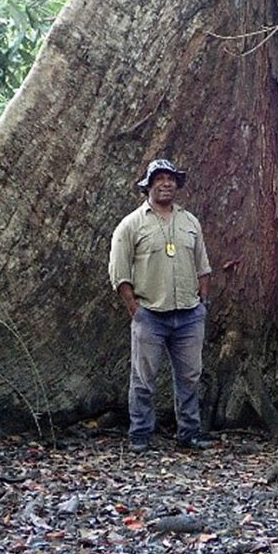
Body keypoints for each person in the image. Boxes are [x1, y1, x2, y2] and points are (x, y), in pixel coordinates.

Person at [109, 159, 213, 453]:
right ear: (148, 185)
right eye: (159, 178)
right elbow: (119, 273)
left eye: (171, 179)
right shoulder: (131, 225)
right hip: (151, 314)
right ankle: (140, 434)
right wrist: (134, 309)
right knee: (144, 377)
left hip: (189, 314)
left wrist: (202, 303)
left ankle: (189, 432)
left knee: (190, 376)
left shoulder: (189, 221)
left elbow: (203, 266)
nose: (166, 183)